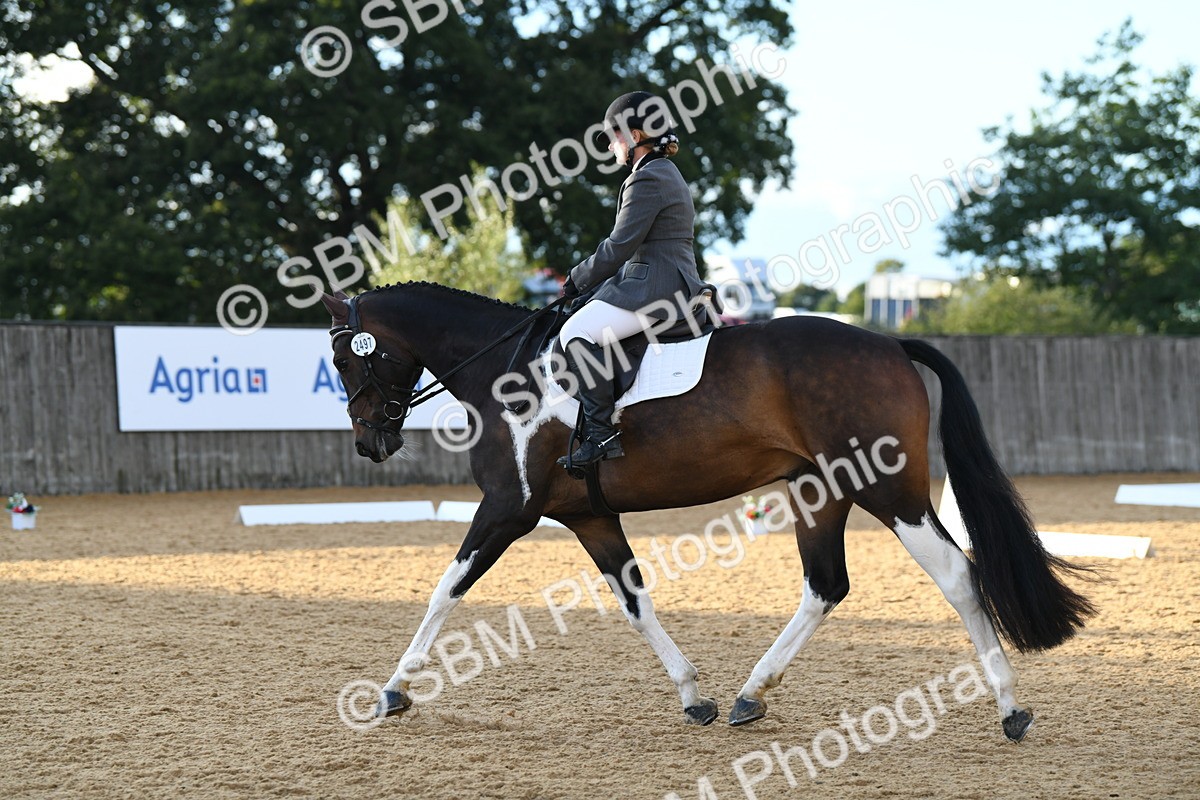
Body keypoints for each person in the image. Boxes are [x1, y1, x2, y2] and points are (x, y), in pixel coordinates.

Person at [557, 90, 712, 470]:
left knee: (575, 333)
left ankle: (600, 434)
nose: (611, 146)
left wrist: (577, 278)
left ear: (635, 135)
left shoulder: (647, 178)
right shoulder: (663, 172)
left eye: (614, 137)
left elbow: (619, 246)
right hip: (661, 280)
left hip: (657, 287)